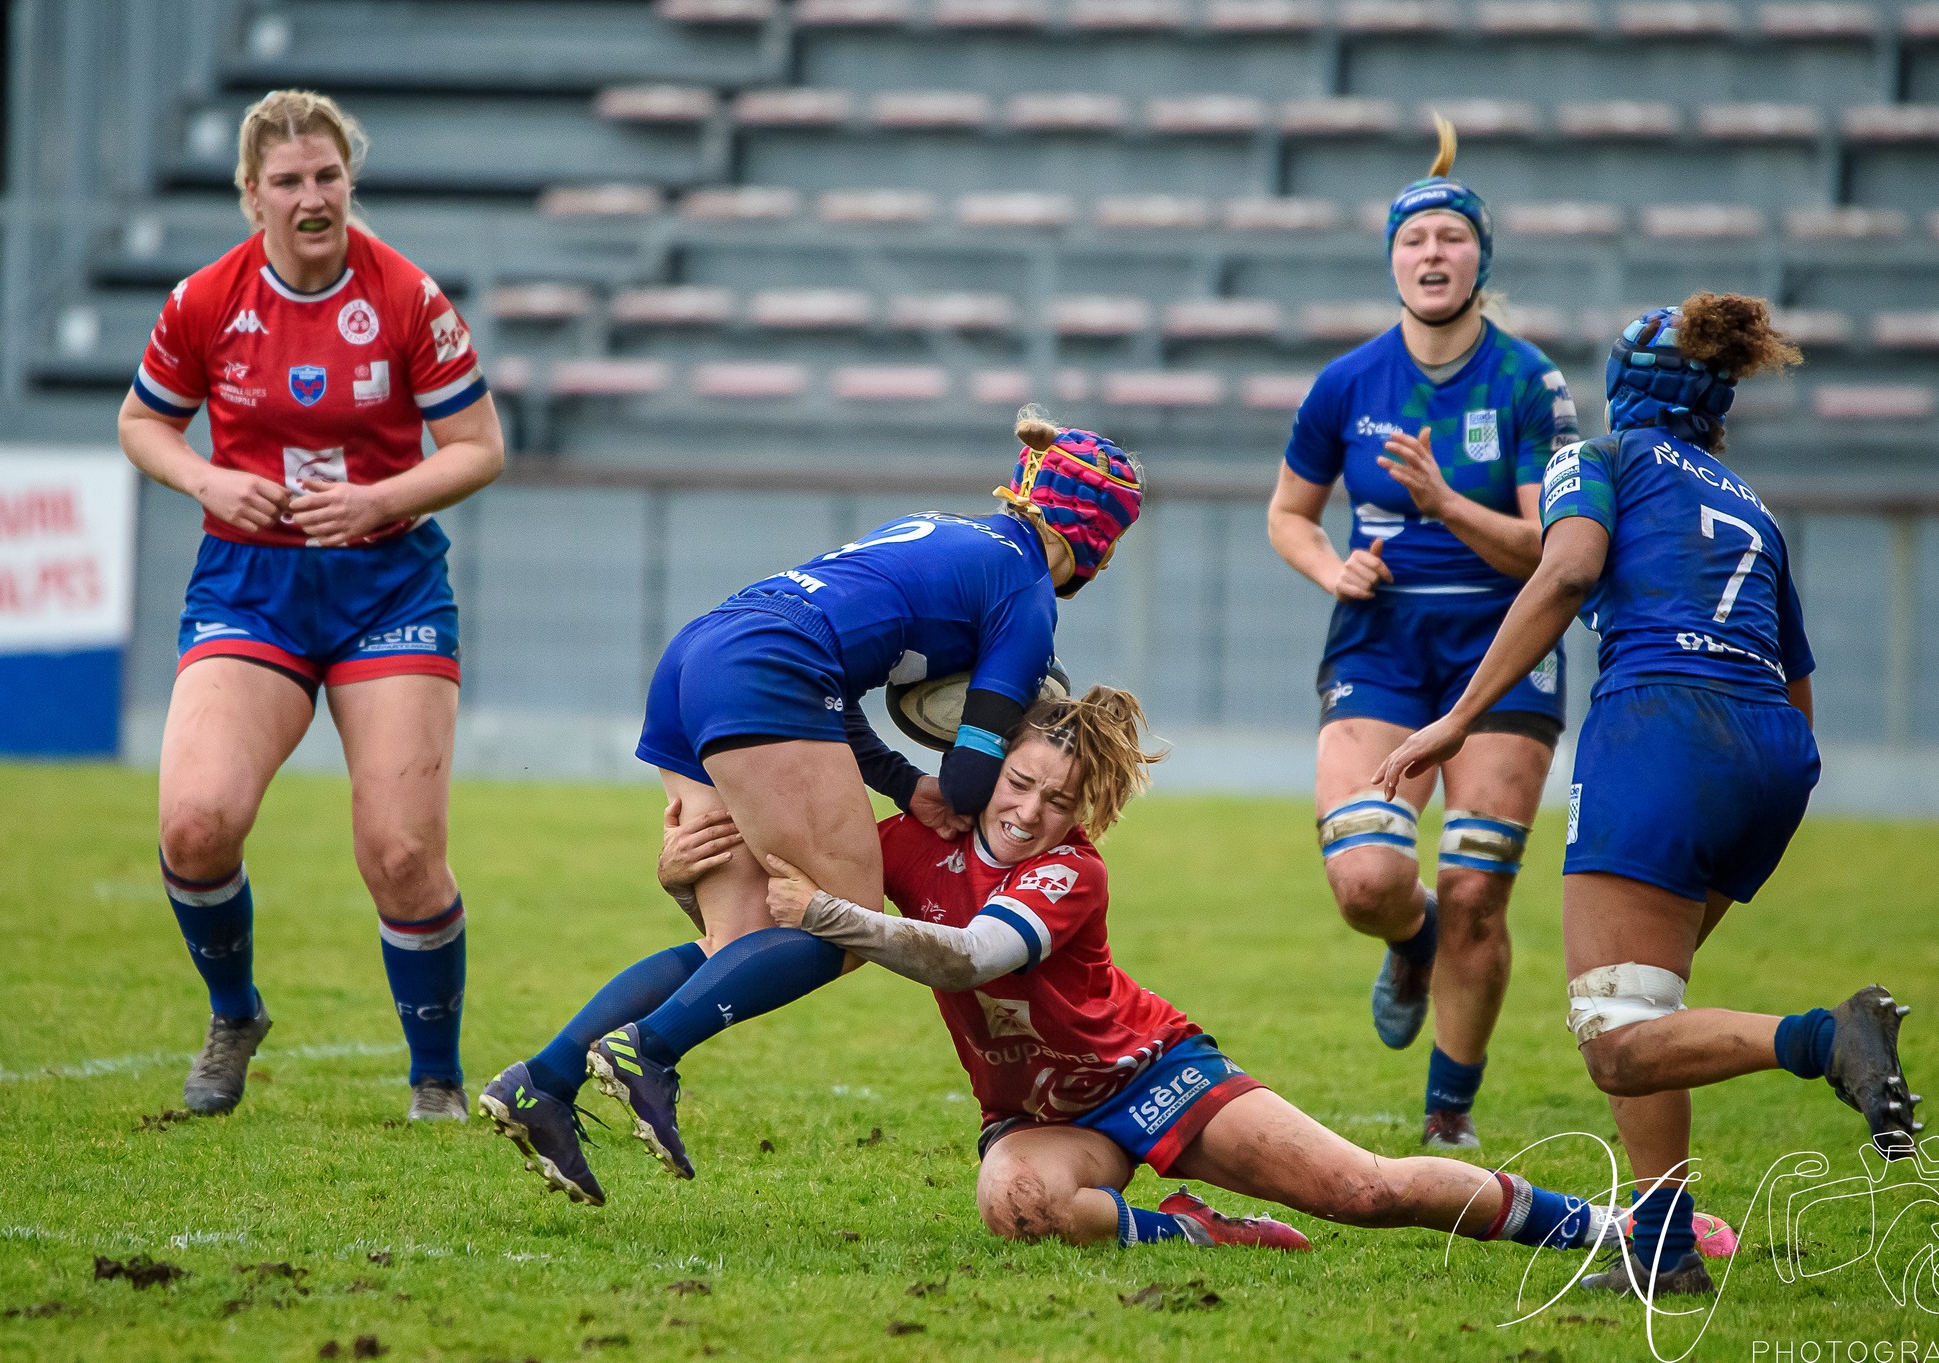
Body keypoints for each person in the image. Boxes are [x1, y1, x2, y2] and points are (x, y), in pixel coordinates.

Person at [648, 686, 1640, 1256]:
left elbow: (969, 954)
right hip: (1035, 1117)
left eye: (1056, 797)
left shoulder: (1068, 872)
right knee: (1017, 1207)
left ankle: (1609, 1228)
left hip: (1151, 1075)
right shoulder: (908, 843)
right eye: (1019, 781)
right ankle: (1200, 1233)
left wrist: (829, 913)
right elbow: (754, 922)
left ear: (1085, 812)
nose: (1027, 809)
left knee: (1365, 1192)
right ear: (989, 769)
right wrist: (683, 878)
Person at [1373, 294, 1922, 1297]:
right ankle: (1660, 1247)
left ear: (1624, 386)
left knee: (1618, 1041)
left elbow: (1567, 566)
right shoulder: (1748, 504)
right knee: (1646, 1005)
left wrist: (1457, 716)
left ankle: (1821, 1039)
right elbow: (1795, 681)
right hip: (1772, 752)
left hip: (1660, 728)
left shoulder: (1597, 456)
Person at [478, 412, 1143, 1204]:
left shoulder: (938, 529)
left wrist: (900, 782)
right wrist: (981, 741)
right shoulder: (1028, 598)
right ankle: (646, 1050)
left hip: (702, 651)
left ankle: (543, 1082)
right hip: (766, 670)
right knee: (840, 921)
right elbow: (968, 784)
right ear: (1095, 546)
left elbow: (836, 678)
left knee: (742, 935)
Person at [118, 90, 503, 1120]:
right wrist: (205, 480)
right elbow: (141, 423)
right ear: (252, 197)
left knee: (402, 852)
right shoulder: (205, 299)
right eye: (287, 181)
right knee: (197, 823)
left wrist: (378, 498)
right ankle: (234, 1013)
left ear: (349, 180)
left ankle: (435, 1082)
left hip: (388, 588)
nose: (311, 196)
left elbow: (479, 448)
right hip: (252, 585)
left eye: (326, 176)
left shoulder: (409, 296)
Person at [1266, 115, 1582, 1150]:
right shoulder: (1344, 383)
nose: (1430, 254)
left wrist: (1445, 504)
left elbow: (1547, 549)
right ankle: (1410, 941)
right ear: (1390, 260)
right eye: (1412, 240)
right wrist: (1331, 565)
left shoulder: (1526, 382)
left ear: (1479, 257)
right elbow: (1287, 514)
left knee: (1476, 888)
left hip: (1500, 652)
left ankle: (1448, 1112)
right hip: (1379, 645)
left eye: (1449, 238)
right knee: (1366, 879)